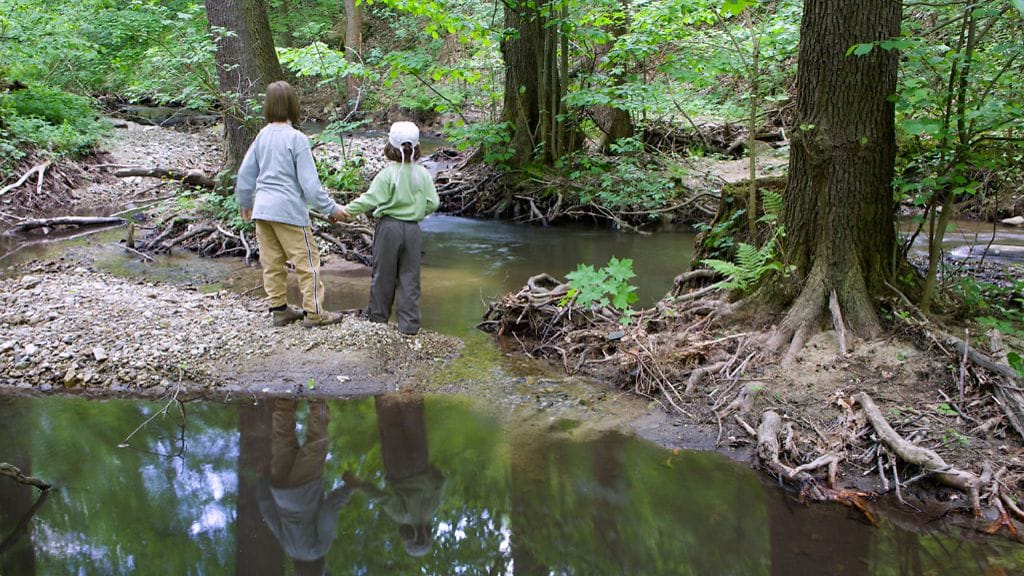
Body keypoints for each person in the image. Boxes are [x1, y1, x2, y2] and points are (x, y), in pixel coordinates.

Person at [235, 80, 346, 328]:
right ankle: (314, 313)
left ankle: (279, 309)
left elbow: (245, 174)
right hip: (289, 212)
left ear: (268, 106)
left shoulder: (262, 136)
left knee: (272, 263)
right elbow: (310, 186)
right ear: (294, 106)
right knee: (308, 263)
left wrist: (245, 202)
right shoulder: (297, 139)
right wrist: (331, 208)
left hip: (262, 210)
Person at [337, 122, 439, 335]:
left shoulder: (387, 174)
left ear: (390, 147)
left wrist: (346, 211)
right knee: (410, 278)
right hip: (413, 230)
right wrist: (418, 210)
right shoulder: (422, 174)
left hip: (389, 228)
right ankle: (409, 325)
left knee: (383, 274)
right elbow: (434, 203)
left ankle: (377, 318)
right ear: (417, 148)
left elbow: (370, 199)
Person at [256, 398, 362, 575]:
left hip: (304, 490)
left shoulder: (318, 549)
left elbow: (328, 512)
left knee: (317, 443)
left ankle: (316, 397)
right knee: (282, 438)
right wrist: (262, 480)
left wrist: (348, 489)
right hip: (279, 491)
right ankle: (284, 398)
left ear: (320, 568)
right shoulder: (288, 548)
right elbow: (268, 512)